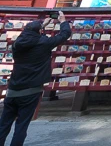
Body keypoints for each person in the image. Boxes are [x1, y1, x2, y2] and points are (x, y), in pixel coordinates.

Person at [0, 11, 71, 146]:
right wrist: (63, 21)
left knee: (3, 124)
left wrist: (41, 26)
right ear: (39, 32)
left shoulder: (17, 45)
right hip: (31, 91)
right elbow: (64, 34)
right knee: (21, 125)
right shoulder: (43, 44)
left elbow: (28, 36)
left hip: (13, 89)